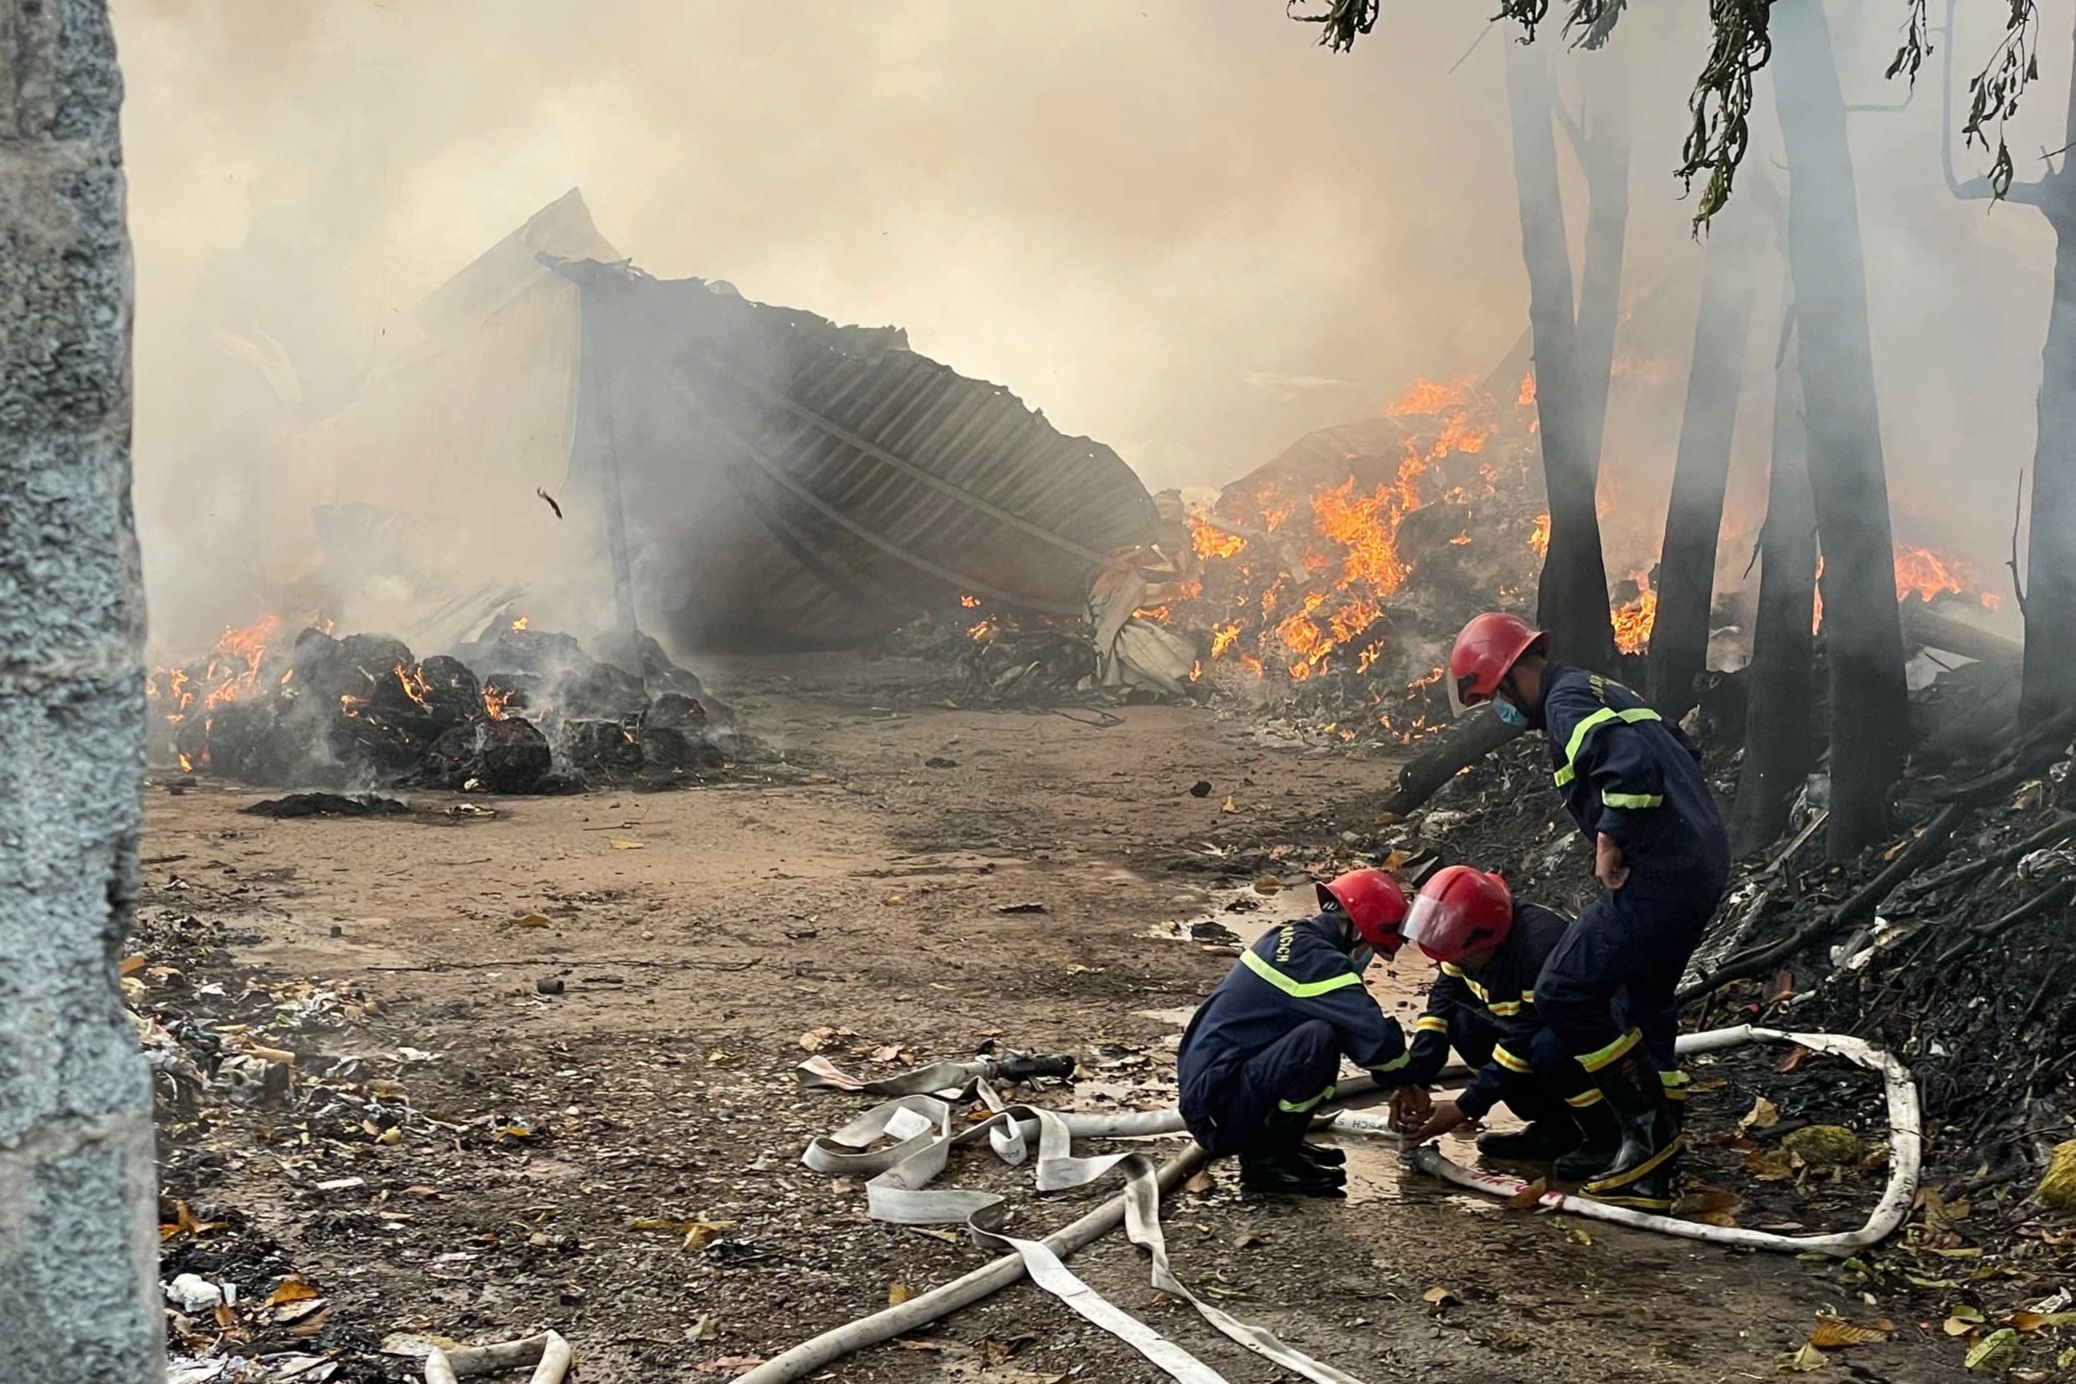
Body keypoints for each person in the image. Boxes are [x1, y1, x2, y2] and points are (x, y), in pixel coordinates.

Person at [1445, 612, 1731, 1211]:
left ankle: (1644, 1137)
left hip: (1660, 874)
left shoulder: (1566, 701)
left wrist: (1612, 835)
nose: (1502, 708)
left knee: (1564, 991)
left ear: (1510, 674)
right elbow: (1682, 747)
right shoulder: (1600, 688)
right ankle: (1654, 1161)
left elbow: (1631, 765)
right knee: (1644, 1001)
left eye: (1496, 695)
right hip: (1699, 864)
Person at [1177, 868, 1415, 1197]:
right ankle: (1267, 1161)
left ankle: (1280, 1142)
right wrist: (1411, 1082)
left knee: (1321, 1032)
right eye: (1372, 949)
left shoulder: (1293, 938)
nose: (1368, 959)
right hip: (1219, 1113)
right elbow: (1376, 1040)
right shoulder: (1316, 961)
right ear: (1358, 931)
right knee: (1318, 1041)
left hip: (1214, 1095)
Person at [1390, 866, 1620, 1179]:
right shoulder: (1466, 942)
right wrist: (1414, 1079)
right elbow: (1440, 1011)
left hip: (1595, 1034)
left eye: (1460, 956)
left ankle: (1606, 1134)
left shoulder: (1539, 945)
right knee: (1463, 1025)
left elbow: (1526, 1034)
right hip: (1531, 1028)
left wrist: (1466, 1106)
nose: (1455, 962)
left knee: (1548, 1049)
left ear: (1489, 938)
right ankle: (1554, 1129)